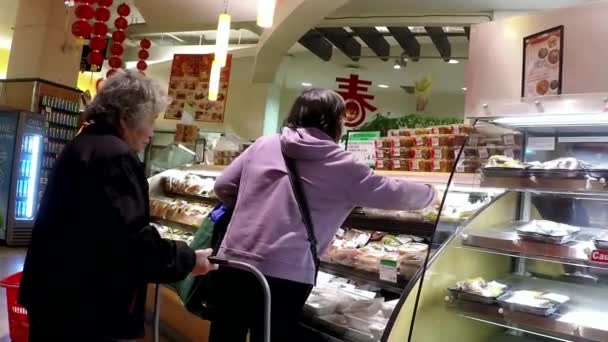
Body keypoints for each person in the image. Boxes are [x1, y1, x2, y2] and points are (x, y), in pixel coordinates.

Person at [208, 88, 437, 342]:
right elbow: (393, 193)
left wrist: (256, 206)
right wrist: (431, 194)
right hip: (287, 272)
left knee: (225, 334)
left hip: (233, 261)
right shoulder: (342, 164)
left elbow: (223, 186)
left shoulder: (265, 144)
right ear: (335, 121)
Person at [19, 70, 216, 341]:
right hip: (86, 306)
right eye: (150, 120)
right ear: (126, 117)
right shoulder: (115, 157)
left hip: (56, 295)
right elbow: (131, 242)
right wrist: (187, 258)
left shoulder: (84, 144)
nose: (151, 132)